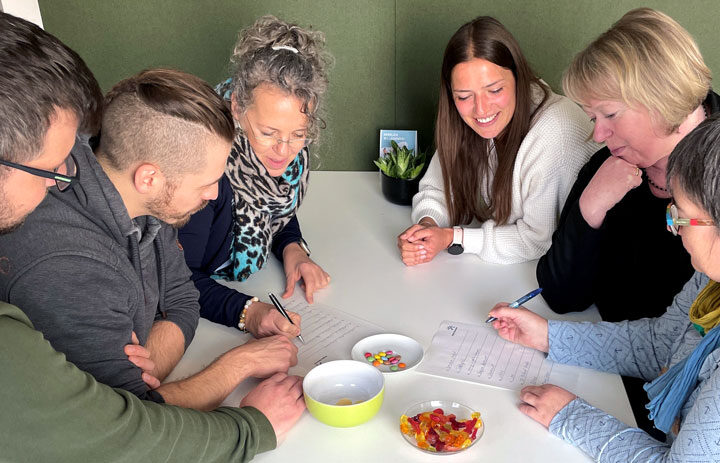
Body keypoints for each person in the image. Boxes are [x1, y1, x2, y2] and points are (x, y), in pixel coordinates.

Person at [0, 12, 302, 461]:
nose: (64, 176)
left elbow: (182, 297)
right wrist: (238, 366)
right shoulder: (63, 265)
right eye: (49, 166)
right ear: (149, 178)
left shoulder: (141, 198)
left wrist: (147, 365)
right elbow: (127, 429)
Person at [487, 115, 720, 461]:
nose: (673, 229)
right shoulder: (710, 278)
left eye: (681, 216)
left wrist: (570, 415)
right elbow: (659, 345)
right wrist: (549, 337)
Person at [535, 8, 717, 438]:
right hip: (611, 371)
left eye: (608, 115)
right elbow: (562, 295)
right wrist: (590, 207)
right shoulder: (612, 163)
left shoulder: (715, 179)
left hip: (679, 414)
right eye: (591, 116)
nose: (597, 134)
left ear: (662, 101)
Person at [396, 16, 597, 265]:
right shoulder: (463, 117)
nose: (481, 109)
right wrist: (427, 227)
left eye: (494, 90)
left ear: (518, 77)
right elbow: (437, 189)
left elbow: (536, 239)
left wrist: (452, 237)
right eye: (464, 96)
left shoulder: (555, 128)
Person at [179, 15, 332, 334]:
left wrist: (293, 249)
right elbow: (179, 279)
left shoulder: (285, 148)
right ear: (237, 109)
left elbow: (278, 212)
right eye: (268, 133)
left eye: (299, 134)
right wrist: (249, 312)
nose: (284, 150)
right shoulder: (205, 171)